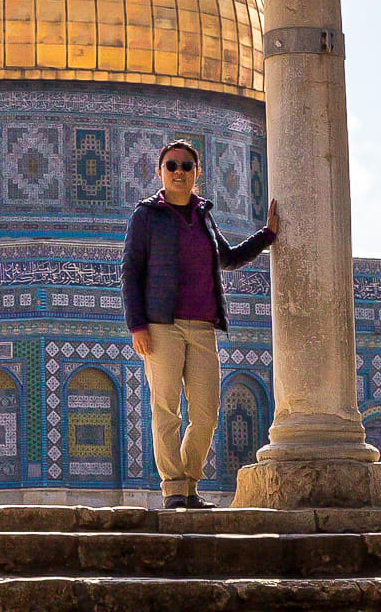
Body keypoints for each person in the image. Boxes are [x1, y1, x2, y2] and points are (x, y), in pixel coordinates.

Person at [121, 138, 279, 508]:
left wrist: (267, 235)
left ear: (197, 173)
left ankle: (190, 483)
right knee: (167, 409)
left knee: (206, 411)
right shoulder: (146, 216)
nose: (179, 172)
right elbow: (131, 271)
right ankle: (175, 489)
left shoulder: (203, 215)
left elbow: (228, 257)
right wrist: (137, 325)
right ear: (159, 172)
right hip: (162, 325)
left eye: (186, 166)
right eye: (171, 166)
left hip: (202, 325)